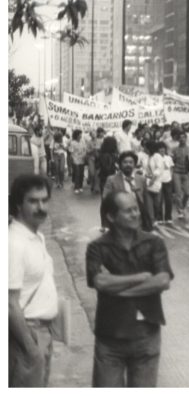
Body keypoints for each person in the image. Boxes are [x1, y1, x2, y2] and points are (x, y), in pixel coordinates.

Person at [86, 191, 174, 387]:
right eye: (128, 211)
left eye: (136, 209)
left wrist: (118, 289)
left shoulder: (153, 243)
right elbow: (99, 281)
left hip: (146, 335)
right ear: (111, 217)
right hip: (110, 338)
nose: (136, 214)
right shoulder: (97, 247)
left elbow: (162, 281)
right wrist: (140, 277)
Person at [9, 174, 59, 387]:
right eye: (33, 201)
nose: (41, 207)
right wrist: (31, 348)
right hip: (25, 335)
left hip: (42, 333)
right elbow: (9, 303)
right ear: (18, 204)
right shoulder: (14, 243)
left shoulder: (36, 236)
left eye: (44, 200)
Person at [102, 152, 150, 233]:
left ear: (135, 165)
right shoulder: (111, 180)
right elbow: (105, 200)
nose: (128, 164)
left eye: (131, 162)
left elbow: (146, 200)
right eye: (125, 162)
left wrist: (150, 219)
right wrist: (106, 225)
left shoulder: (141, 179)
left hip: (138, 219)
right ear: (120, 164)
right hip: (119, 220)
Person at [171, 130, 189, 220]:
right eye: (180, 138)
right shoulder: (174, 149)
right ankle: (180, 210)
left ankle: (182, 206)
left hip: (186, 172)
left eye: (184, 137)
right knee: (178, 193)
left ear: (186, 138)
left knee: (187, 193)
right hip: (177, 172)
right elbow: (172, 161)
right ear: (178, 139)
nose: (182, 139)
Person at [98, 136, 120, 205]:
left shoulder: (111, 154)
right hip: (106, 178)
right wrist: (115, 166)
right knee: (106, 198)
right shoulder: (105, 156)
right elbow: (106, 168)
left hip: (107, 178)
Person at [87, 129, 105, 193]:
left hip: (98, 159)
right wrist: (92, 150)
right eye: (92, 134)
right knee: (92, 173)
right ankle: (92, 184)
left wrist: (99, 150)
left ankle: (96, 188)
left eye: (94, 133)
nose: (93, 135)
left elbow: (103, 150)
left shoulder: (100, 141)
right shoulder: (89, 142)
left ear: (96, 134)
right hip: (91, 158)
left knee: (97, 174)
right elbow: (87, 151)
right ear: (90, 135)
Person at [69, 129, 88, 194]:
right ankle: (76, 187)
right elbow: (71, 152)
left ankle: (80, 186)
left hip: (82, 159)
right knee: (77, 173)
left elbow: (85, 149)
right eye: (79, 134)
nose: (80, 135)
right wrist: (72, 159)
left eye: (81, 134)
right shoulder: (73, 143)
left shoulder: (83, 141)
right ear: (76, 135)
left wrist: (84, 155)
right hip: (75, 160)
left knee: (81, 174)